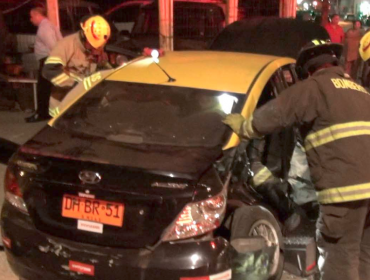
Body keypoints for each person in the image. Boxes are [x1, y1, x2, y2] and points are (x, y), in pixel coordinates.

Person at [224, 39, 370, 280]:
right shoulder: (361, 92)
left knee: (340, 256)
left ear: (308, 71)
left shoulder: (315, 87)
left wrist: (246, 127)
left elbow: (279, 112)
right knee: (364, 254)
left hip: (346, 192)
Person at [42, 15, 112, 117]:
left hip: (83, 103)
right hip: (63, 105)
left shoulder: (97, 43)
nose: (94, 50)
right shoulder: (67, 44)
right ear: (84, 36)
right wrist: (76, 84)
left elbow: (101, 68)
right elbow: (49, 70)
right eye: (92, 46)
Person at [25, 7, 62, 123]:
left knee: (43, 88)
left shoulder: (44, 28)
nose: (31, 20)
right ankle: (44, 112)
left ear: (37, 15)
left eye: (31, 16)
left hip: (47, 60)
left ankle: (42, 113)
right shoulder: (49, 25)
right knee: (45, 88)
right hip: (49, 59)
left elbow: (53, 45)